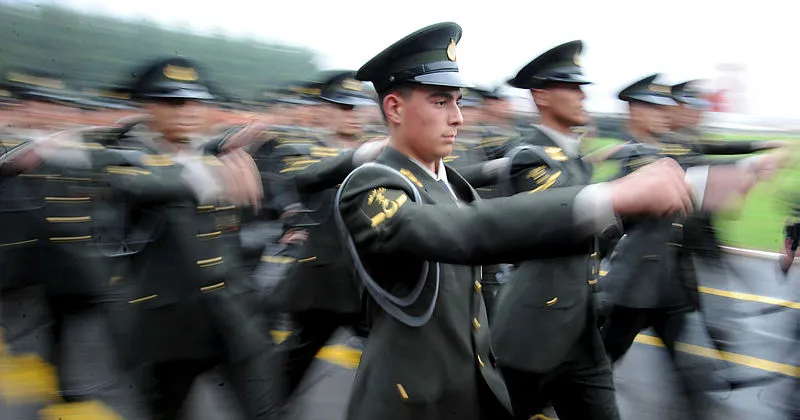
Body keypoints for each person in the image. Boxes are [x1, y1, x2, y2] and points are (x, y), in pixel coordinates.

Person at [334, 22, 697, 420]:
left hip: (473, 390)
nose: (457, 118)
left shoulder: (453, 186)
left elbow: (487, 278)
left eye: (457, 102)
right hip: (406, 403)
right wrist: (605, 198)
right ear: (395, 108)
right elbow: (462, 231)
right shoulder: (368, 186)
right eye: (440, 102)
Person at [490, 40, 620, 420]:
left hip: (581, 329)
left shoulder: (575, 158)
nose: (583, 96)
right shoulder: (528, 158)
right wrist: (634, 197)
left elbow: (599, 237)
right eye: (572, 87)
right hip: (534, 330)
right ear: (542, 96)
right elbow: (567, 217)